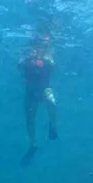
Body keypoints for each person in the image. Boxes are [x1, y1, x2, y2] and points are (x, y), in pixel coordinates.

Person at [18, 31, 58, 163]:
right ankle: (32, 144)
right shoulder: (26, 56)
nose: (37, 50)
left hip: (45, 88)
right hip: (30, 92)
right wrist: (27, 60)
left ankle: (52, 126)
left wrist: (44, 59)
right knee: (30, 119)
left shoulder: (47, 56)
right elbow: (19, 67)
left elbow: (52, 64)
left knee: (52, 103)